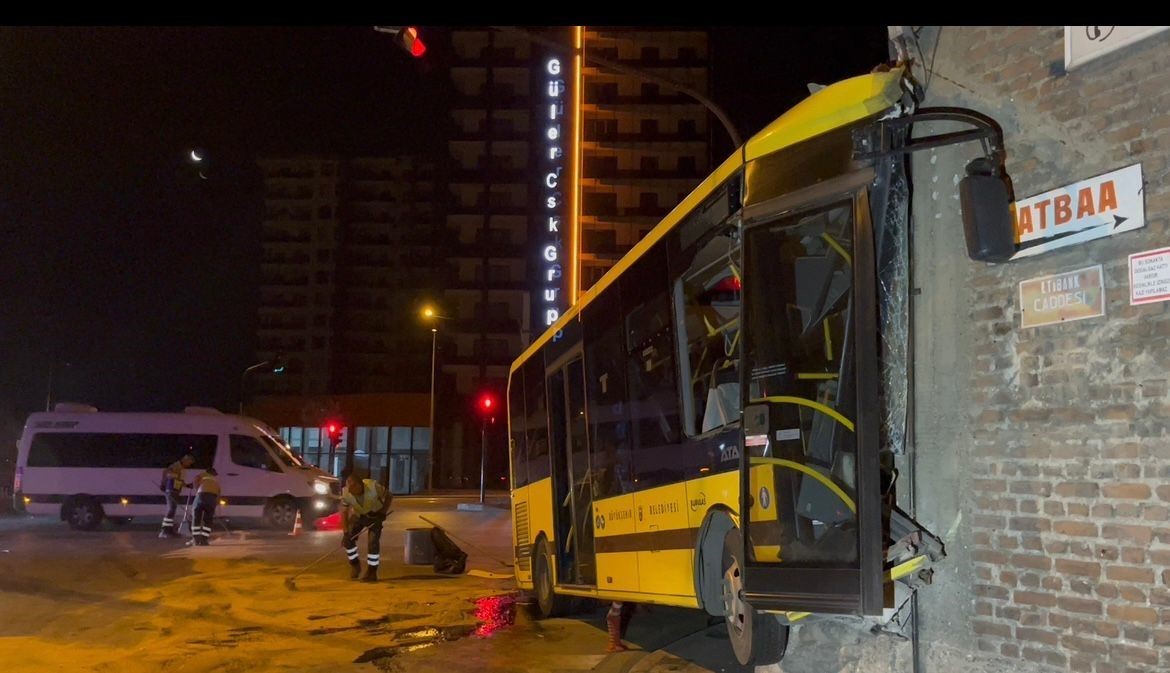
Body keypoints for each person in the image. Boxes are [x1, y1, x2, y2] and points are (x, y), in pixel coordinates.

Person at [340, 472, 391, 582]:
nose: (350, 492)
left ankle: (372, 572)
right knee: (348, 540)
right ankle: (355, 565)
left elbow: (389, 496)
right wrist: (345, 532)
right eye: (348, 488)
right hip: (359, 515)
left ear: (359, 486)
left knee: (373, 542)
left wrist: (382, 512)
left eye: (352, 488)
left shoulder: (373, 487)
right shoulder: (346, 492)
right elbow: (344, 513)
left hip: (375, 516)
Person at [158, 454, 195, 538]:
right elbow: (166, 473)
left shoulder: (181, 468)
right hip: (171, 490)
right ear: (185, 460)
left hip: (175, 490)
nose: (189, 465)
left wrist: (186, 485)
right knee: (171, 509)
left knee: (172, 509)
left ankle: (169, 529)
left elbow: (178, 480)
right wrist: (163, 484)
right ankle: (164, 531)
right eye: (189, 463)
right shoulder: (176, 466)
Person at [190, 466, 221, 546]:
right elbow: (218, 493)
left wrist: (197, 490)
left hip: (201, 496)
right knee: (208, 520)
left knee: (196, 517)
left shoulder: (203, 475)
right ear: (212, 473)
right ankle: (204, 540)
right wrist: (214, 504)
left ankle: (196, 540)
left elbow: (195, 479)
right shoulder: (215, 481)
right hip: (212, 498)